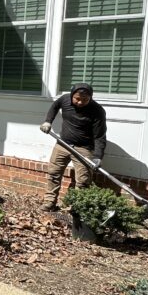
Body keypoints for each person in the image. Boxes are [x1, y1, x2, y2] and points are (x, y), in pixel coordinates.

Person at [39, 82, 107, 211]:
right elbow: (55, 106)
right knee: (54, 174)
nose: (80, 102)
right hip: (63, 144)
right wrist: (48, 121)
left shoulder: (97, 111)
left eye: (85, 100)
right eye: (77, 99)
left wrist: (98, 156)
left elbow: (100, 136)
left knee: (83, 181)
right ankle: (49, 202)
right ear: (72, 95)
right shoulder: (65, 99)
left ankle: (78, 209)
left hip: (84, 148)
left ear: (90, 98)